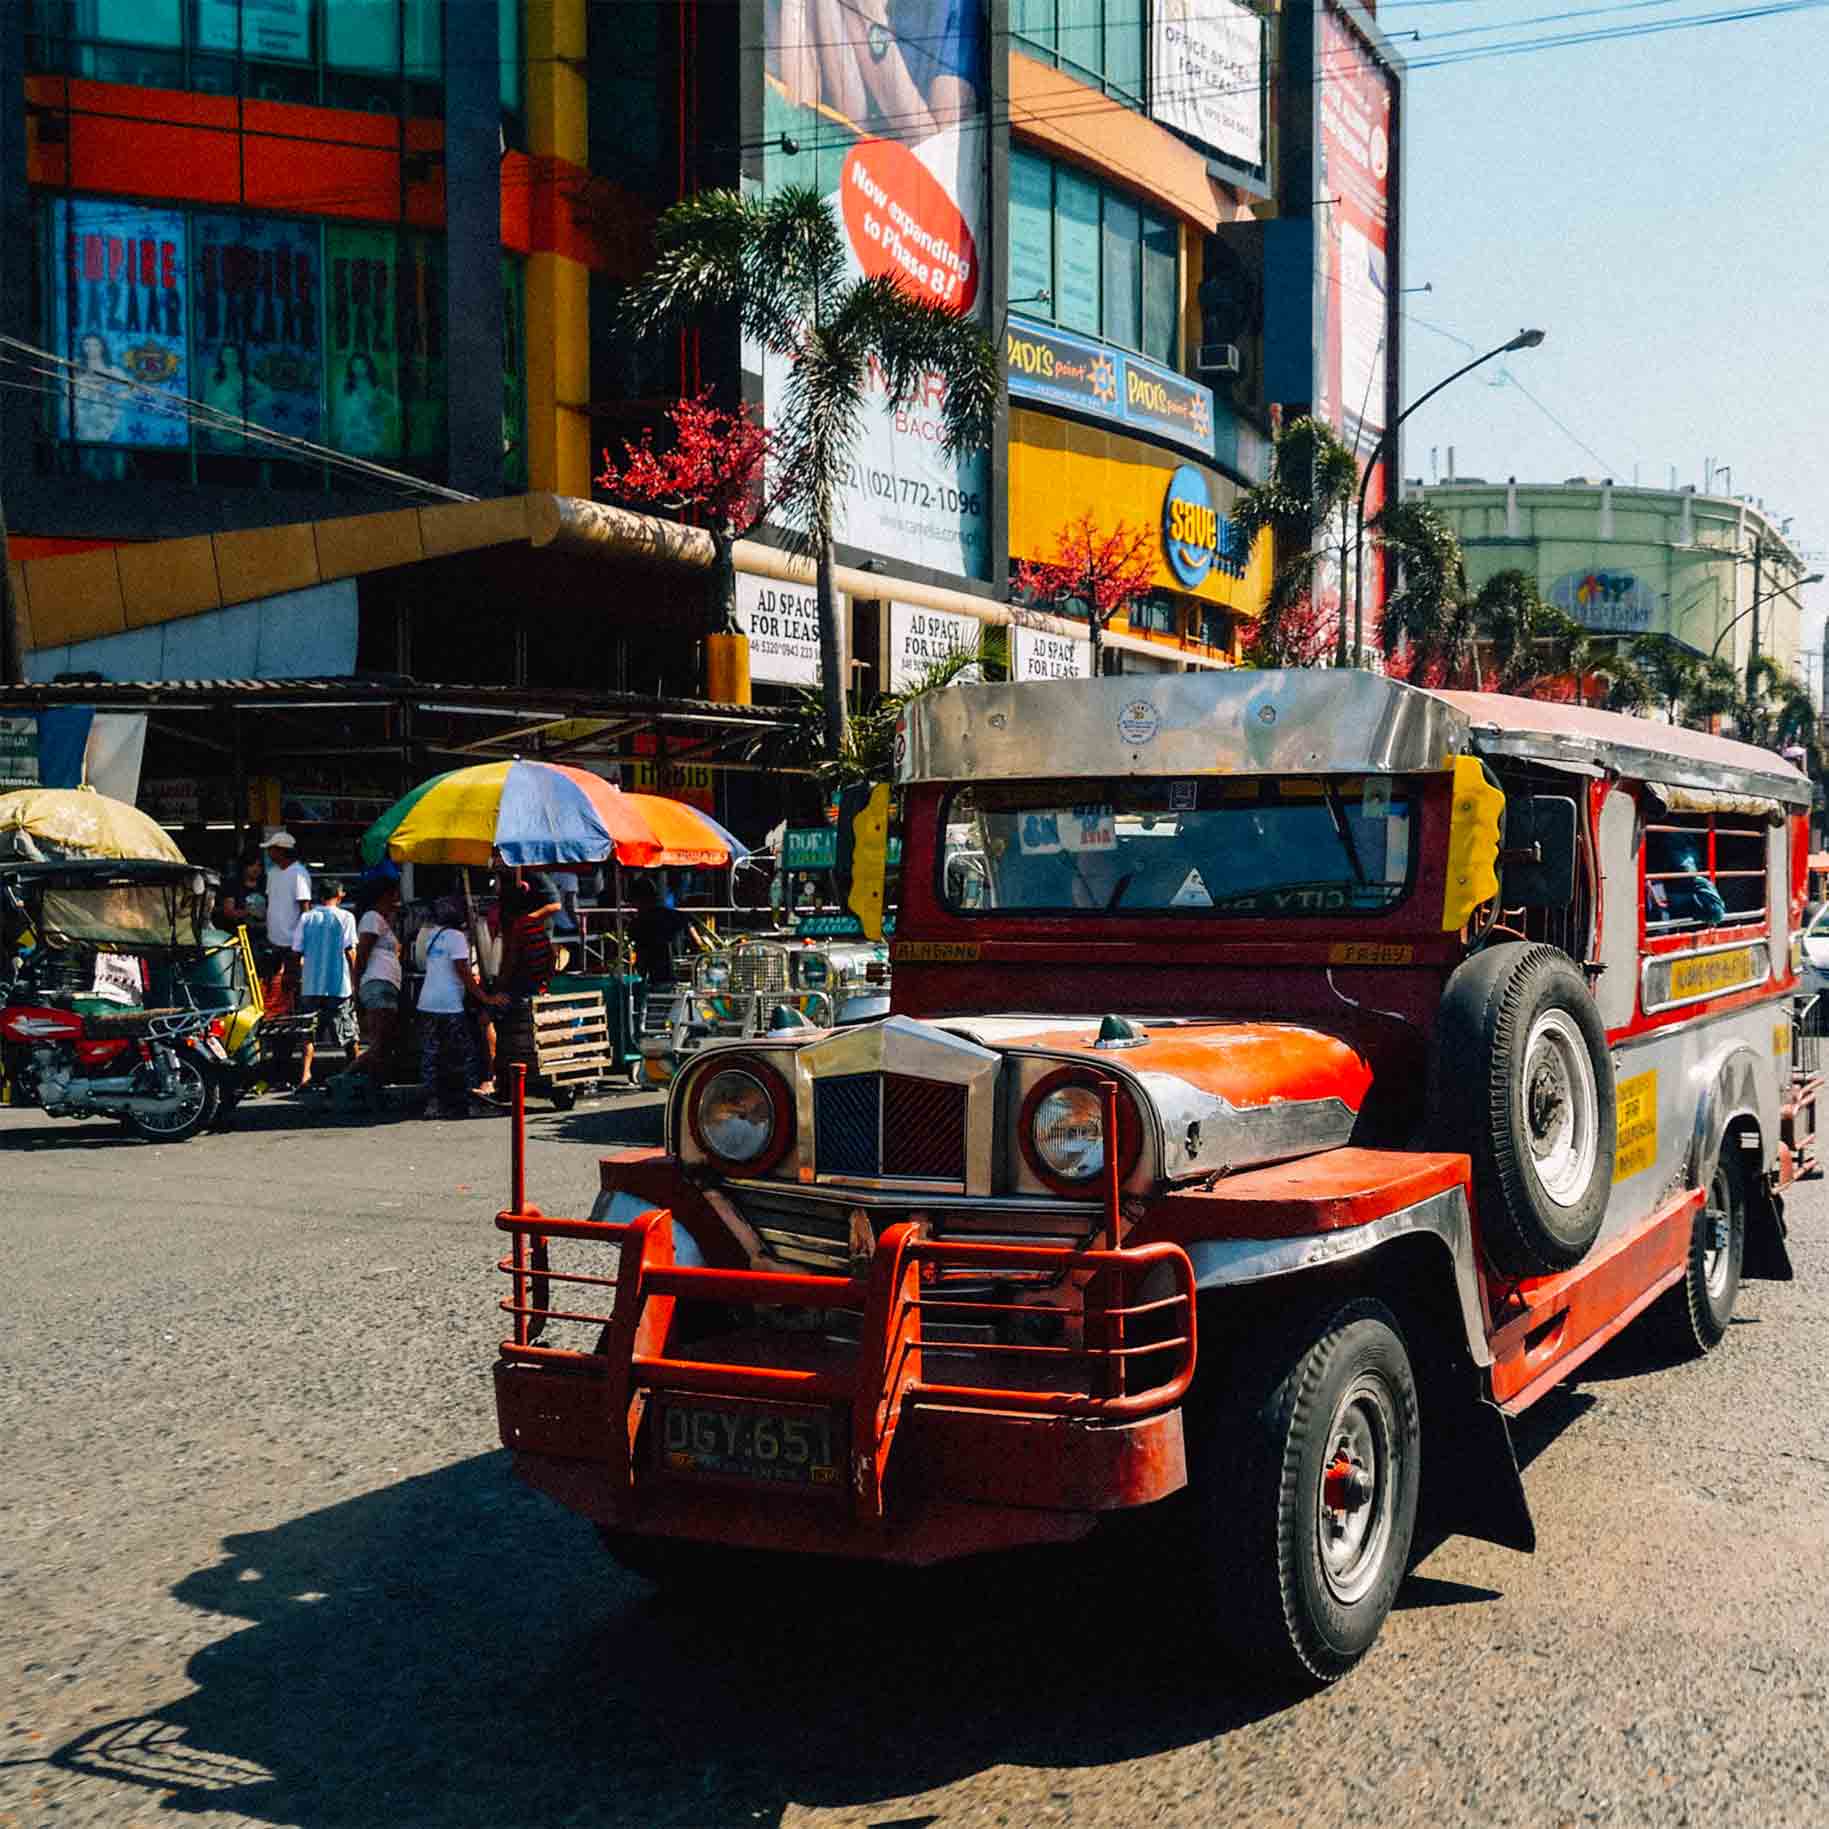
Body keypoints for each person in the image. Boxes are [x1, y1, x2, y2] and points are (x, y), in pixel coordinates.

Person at [417, 894, 504, 1119]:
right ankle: (471, 1103)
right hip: (449, 1004)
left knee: (432, 1054)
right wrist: (484, 997)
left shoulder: (431, 935)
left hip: (427, 1002)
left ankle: (433, 1104)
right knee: (465, 1054)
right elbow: (463, 971)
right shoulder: (456, 937)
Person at [294, 880, 357, 1092]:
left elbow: (297, 952)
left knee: (308, 1033)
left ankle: (305, 1075)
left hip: (311, 984)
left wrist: (296, 977)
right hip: (338, 984)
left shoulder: (307, 918)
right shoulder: (346, 917)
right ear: (339, 895)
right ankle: (355, 1072)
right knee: (348, 1033)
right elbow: (350, 951)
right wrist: (357, 978)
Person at [342, 880, 404, 1095]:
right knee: (380, 1042)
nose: (398, 899)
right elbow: (362, 956)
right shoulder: (371, 918)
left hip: (386, 984)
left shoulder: (383, 921)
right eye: (394, 894)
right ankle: (345, 1079)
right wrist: (357, 986)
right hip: (377, 984)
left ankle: (369, 1086)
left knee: (385, 1042)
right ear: (384, 895)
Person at [626, 873, 707, 983]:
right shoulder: (665, 915)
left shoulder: (641, 921)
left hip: (657, 969)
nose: (633, 906)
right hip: (659, 970)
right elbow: (686, 920)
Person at [216, 855, 267, 932]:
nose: (256, 869)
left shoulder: (265, 885)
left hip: (263, 934)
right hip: (239, 933)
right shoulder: (232, 884)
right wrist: (249, 912)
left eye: (259, 865)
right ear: (244, 866)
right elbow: (228, 912)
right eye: (251, 865)